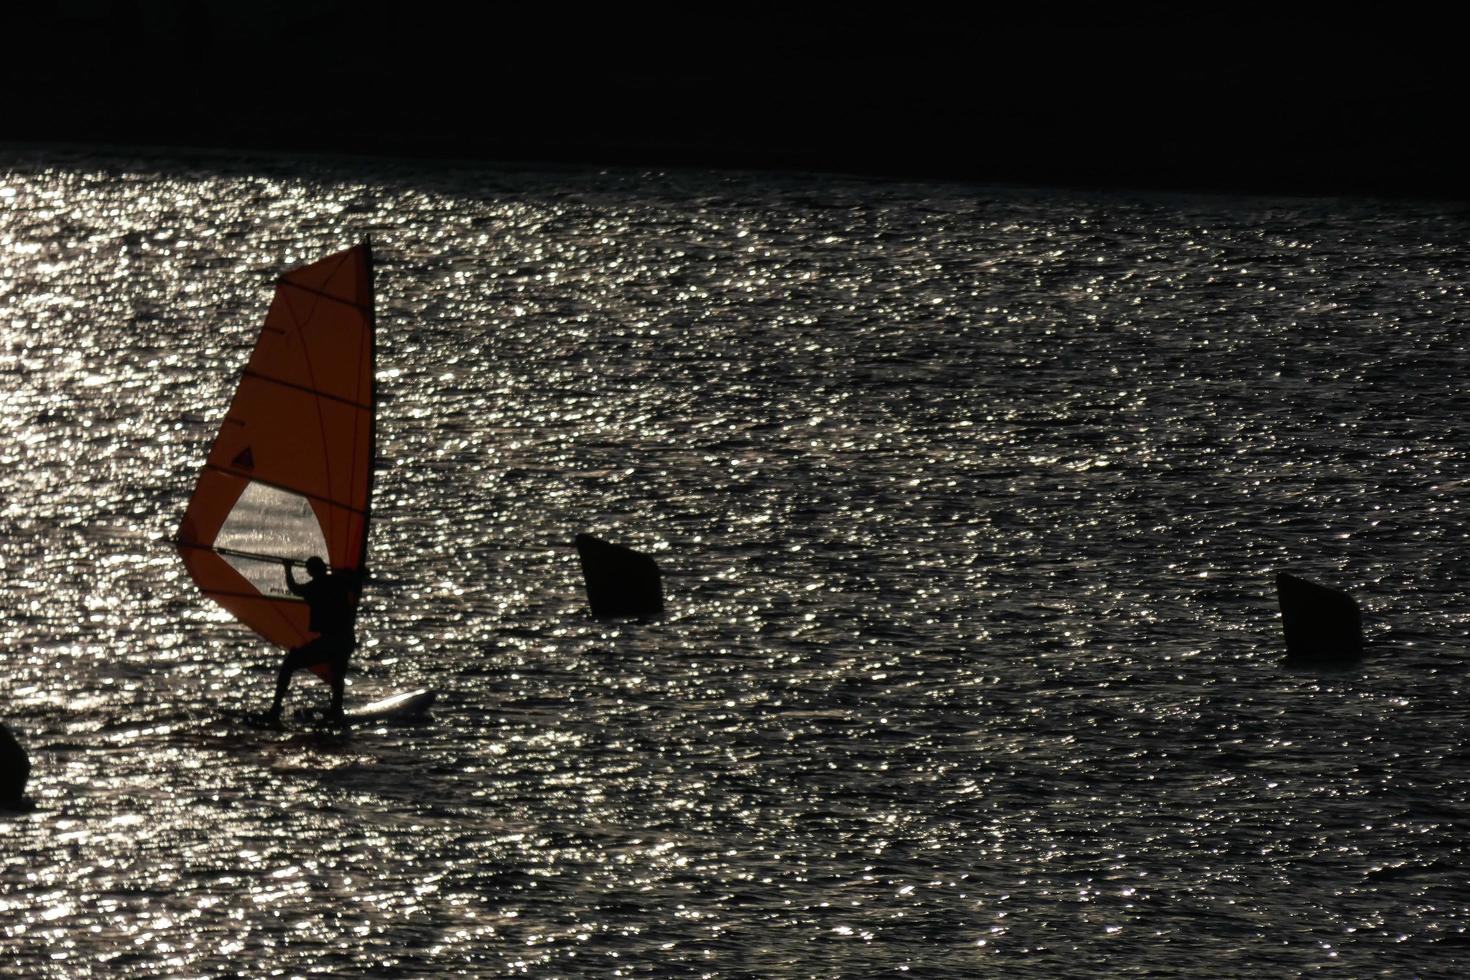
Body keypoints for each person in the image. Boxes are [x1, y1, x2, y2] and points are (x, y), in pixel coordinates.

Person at [269, 556, 361, 724]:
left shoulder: (316, 586)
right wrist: (353, 574)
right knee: (337, 675)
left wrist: (288, 569)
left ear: (311, 572)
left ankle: (275, 709)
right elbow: (357, 582)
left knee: (290, 664)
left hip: (333, 641)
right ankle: (336, 710)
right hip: (345, 640)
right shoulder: (338, 581)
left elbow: (295, 588)